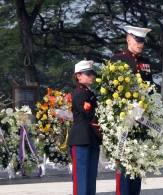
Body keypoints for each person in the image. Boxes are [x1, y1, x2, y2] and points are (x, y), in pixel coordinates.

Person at [111, 25, 153, 195]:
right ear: (128, 39)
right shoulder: (118, 59)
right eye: (137, 40)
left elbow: (150, 88)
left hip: (141, 119)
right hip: (124, 119)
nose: (140, 44)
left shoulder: (145, 62)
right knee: (124, 160)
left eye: (142, 42)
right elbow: (112, 90)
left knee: (138, 161)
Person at [67, 60, 102, 195]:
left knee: (91, 175)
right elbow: (91, 116)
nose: (91, 76)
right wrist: (104, 134)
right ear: (78, 76)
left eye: (92, 74)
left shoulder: (88, 92)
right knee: (81, 176)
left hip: (91, 138)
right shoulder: (81, 93)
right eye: (87, 74)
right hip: (81, 139)